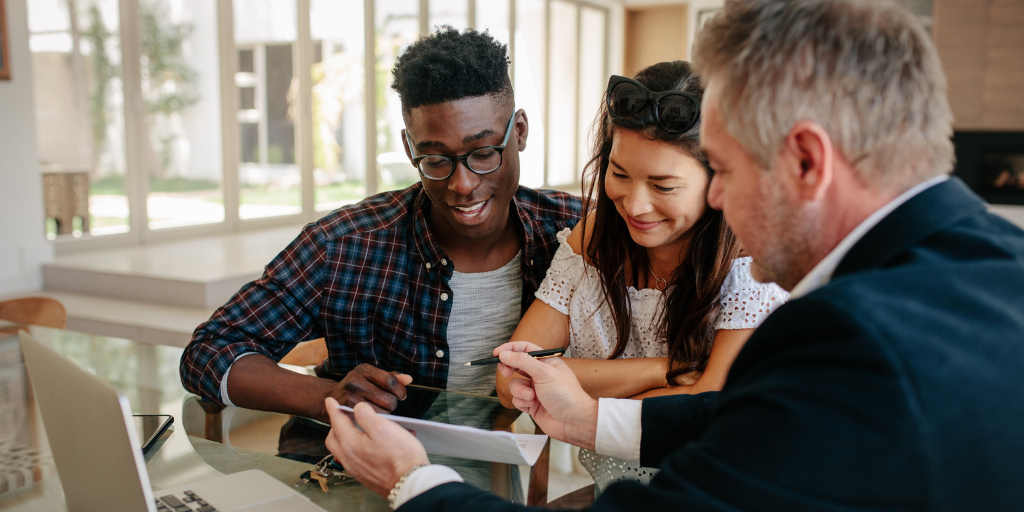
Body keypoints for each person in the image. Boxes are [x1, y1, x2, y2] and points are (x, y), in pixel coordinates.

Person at [321, 0, 1024, 510]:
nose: (716, 202)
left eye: (722, 169)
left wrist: (414, 480)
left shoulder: (855, 336)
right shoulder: (994, 261)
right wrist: (588, 421)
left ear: (807, 160)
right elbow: (743, 415)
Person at [179, 27, 581, 422]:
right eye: (435, 159)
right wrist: (327, 397)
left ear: (521, 132)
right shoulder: (345, 245)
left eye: (483, 152)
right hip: (360, 478)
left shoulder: (576, 234)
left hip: (513, 479)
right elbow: (209, 351)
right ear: (409, 149)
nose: (463, 184)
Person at [495, 60, 787, 492]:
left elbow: (708, 407)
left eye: (663, 186)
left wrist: (577, 391)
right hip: (611, 496)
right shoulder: (592, 238)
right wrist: (665, 370)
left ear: (719, 180)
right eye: (619, 174)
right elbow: (513, 380)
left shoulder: (749, 260)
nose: (634, 205)